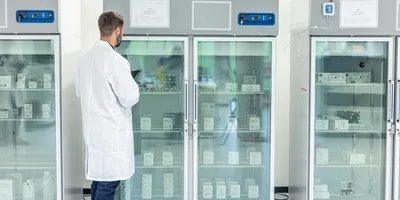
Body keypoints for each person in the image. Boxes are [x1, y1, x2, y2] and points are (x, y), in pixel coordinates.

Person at [74, 11, 140, 200]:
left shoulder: (83, 61)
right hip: (111, 137)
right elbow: (130, 97)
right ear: (117, 30)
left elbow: (80, 92)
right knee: (107, 185)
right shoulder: (116, 61)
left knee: (99, 181)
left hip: (94, 134)